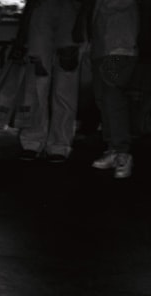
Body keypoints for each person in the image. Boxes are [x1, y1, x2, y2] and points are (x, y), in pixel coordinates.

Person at [15, 0, 85, 163]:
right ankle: (51, 143)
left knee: (60, 84)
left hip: (64, 10)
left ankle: (45, 142)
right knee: (42, 83)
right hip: (54, 9)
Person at [84, 0, 141, 178]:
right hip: (102, 49)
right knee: (104, 100)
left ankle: (122, 152)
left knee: (113, 99)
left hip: (119, 48)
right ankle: (114, 149)